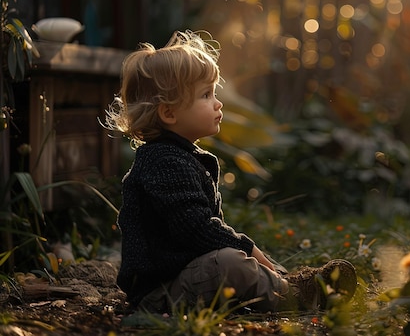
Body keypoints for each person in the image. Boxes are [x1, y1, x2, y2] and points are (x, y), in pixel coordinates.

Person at [104, 30, 357, 314]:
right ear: (169, 113)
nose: (218, 103)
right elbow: (197, 230)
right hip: (159, 293)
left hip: (185, 278)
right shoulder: (162, 162)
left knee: (233, 259)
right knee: (230, 263)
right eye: (205, 95)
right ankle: (295, 297)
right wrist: (248, 249)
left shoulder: (184, 157)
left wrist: (249, 253)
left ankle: (286, 283)